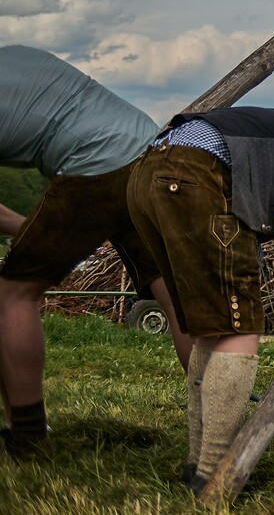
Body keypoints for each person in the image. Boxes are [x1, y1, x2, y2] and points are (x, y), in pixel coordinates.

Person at [126, 105, 274, 490]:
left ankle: (196, 464)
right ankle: (214, 472)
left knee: (212, 328)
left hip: (145, 175)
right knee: (241, 328)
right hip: (194, 174)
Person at [0, 45, 192, 459]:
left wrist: (32, 232)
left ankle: (28, 437)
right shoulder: (18, 55)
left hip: (93, 167)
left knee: (13, 294)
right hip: (151, 151)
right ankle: (217, 425)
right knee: (172, 291)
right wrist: (36, 231)